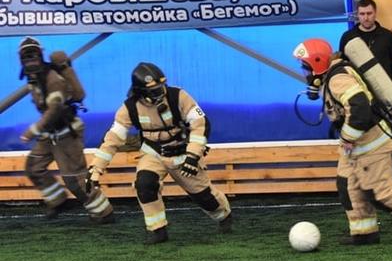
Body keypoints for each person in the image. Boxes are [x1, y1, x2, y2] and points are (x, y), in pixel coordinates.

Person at [292, 38, 392, 244]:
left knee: (379, 191)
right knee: (348, 186)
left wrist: (347, 137)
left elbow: (359, 107)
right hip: (354, 146)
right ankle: (364, 232)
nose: (304, 72)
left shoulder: (337, 79)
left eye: (305, 67)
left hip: (371, 142)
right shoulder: (332, 77)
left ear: (317, 63)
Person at [87, 62, 232, 244]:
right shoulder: (129, 108)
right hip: (153, 154)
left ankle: (224, 215)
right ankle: (157, 230)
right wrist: (96, 169)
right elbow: (112, 139)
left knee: (205, 198)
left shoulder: (178, 96)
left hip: (183, 153)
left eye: (161, 86)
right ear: (140, 92)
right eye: (154, 90)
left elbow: (200, 124)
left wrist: (193, 155)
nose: (160, 92)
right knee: (145, 184)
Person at [17, 37, 115, 223]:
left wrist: (33, 130)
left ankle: (103, 213)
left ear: (40, 55)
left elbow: (54, 109)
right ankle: (58, 201)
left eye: (33, 56)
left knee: (75, 180)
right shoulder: (33, 77)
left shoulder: (52, 79)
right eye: (26, 57)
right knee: (34, 168)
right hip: (50, 134)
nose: (30, 60)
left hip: (67, 133)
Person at [339, 0, 392, 80]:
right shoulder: (347, 37)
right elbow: (342, 64)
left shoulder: (388, 36)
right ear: (357, 15)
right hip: (357, 85)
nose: (366, 18)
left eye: (369, 13)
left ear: (375, 13)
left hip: (383, 85)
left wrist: (386, 81)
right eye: (362, 14)